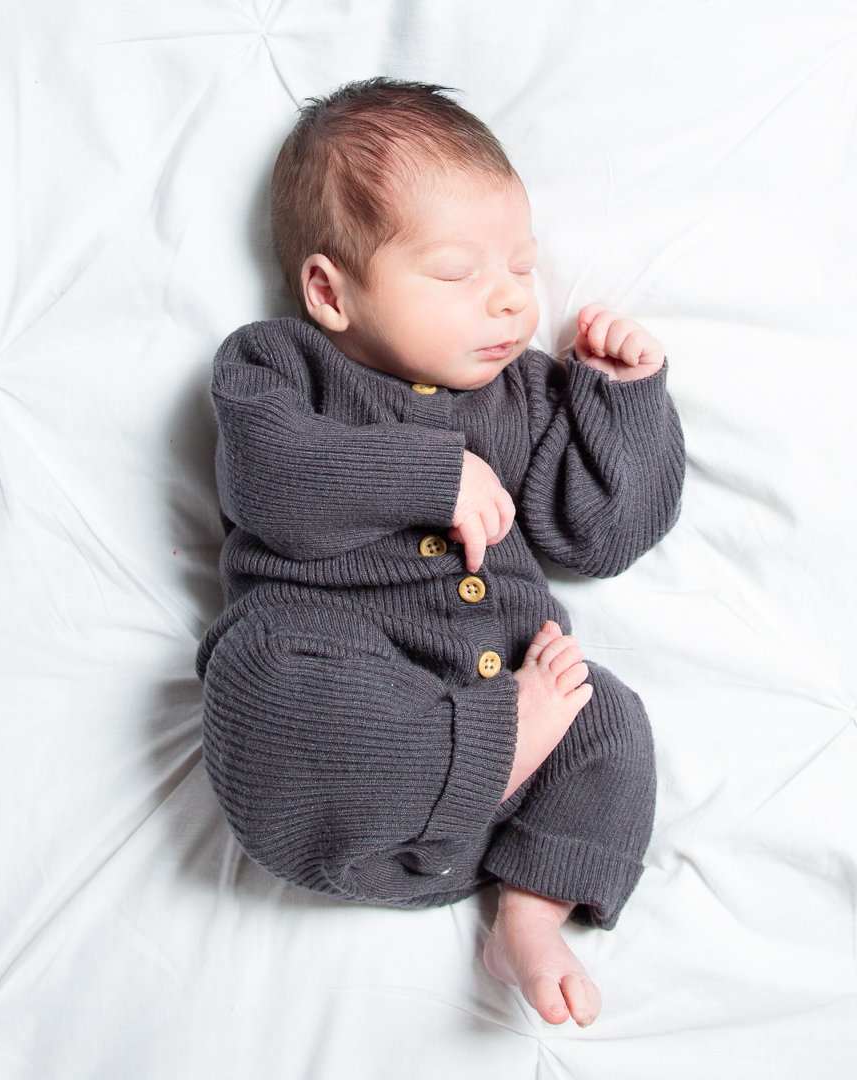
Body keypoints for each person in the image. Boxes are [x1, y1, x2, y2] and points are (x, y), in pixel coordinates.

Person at [197, 78, 685, 1028]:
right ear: (331, 293)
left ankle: (530, 916)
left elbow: (607, 532)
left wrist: (622, 399)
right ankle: (497, 750)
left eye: (522, 268)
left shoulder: (523, 398)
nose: (508, 302)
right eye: (460, 273)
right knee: (255, 680)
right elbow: (268, 481)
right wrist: (430, 476)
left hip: (501, 689)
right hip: (343, 702)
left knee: (607, 718)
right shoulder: (279, 368)